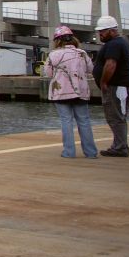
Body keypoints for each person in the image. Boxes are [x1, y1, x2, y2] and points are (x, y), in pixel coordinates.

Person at [42, 25, 96, 158]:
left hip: (61, 93)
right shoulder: (82, 53)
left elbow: (48, 73)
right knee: (84, 121)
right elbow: (90, 69)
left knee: (66, 121)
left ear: (57, 40)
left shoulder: (53, 55)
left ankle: (69, 152)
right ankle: (91, 152)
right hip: (80, 92)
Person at [95, 15, 129, 156]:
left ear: (112, 31)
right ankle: (119, 145)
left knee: (115, 116)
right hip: (121, 85)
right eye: (99, 31)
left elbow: (110, 64)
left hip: (118, 86)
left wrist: (104, 81)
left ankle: (120, 147)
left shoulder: (114, 44)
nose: (100, 34)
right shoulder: (120, 43)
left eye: (103, 31)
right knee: (118, 115)